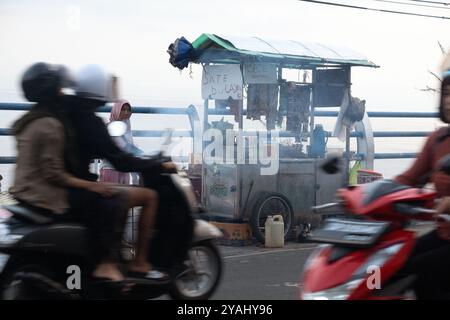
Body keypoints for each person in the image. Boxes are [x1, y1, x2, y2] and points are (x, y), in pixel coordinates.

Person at [9, 62, 127, 283]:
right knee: (109, 202)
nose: (64, 93)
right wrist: (92, 185)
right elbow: (55, 175)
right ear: (53, 91)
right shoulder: (50, 125)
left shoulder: (29, 120)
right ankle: (105, 264)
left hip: (24, 191)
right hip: (45, 196)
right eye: (60, 89)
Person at [64, 64, 176, 280]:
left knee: (123, 196)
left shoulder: (66, 112)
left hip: (71, 185)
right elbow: (120, 159)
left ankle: (115, 255)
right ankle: (138, 262)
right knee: (150, 196)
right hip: (82, 187)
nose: (125, 112)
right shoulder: (92, 123)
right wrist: (156, 164)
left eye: (128, 109)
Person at [394, 57, 450, 299]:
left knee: (423, 268)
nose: (449, 100)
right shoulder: (438, 140)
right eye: (446, 93)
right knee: (393, 262)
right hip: (444, 234)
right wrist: (364, 194)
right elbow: (409, 179)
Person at [99, 100, 140, 185]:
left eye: (128, 110)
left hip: (124, 172)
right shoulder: (109, 128)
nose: (126, 112)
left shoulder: (128, 132)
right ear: (116, 110)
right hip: (110, 171)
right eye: (123, 109)